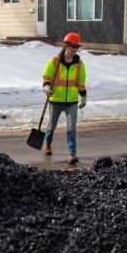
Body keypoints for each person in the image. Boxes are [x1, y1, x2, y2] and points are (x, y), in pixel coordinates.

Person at [41, 32, 87, 165]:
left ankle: (71, 153)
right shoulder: (54, 61)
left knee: (71, 128)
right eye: (73, 46)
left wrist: (83, 97)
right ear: (66, 45)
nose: (75, 49)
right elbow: (47, 77)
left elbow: (81, 83)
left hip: (71, 101)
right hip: (55, 100)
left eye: (77, 47)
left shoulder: (79, 64)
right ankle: (47, 144)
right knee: (51, 125)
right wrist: (46, 87)